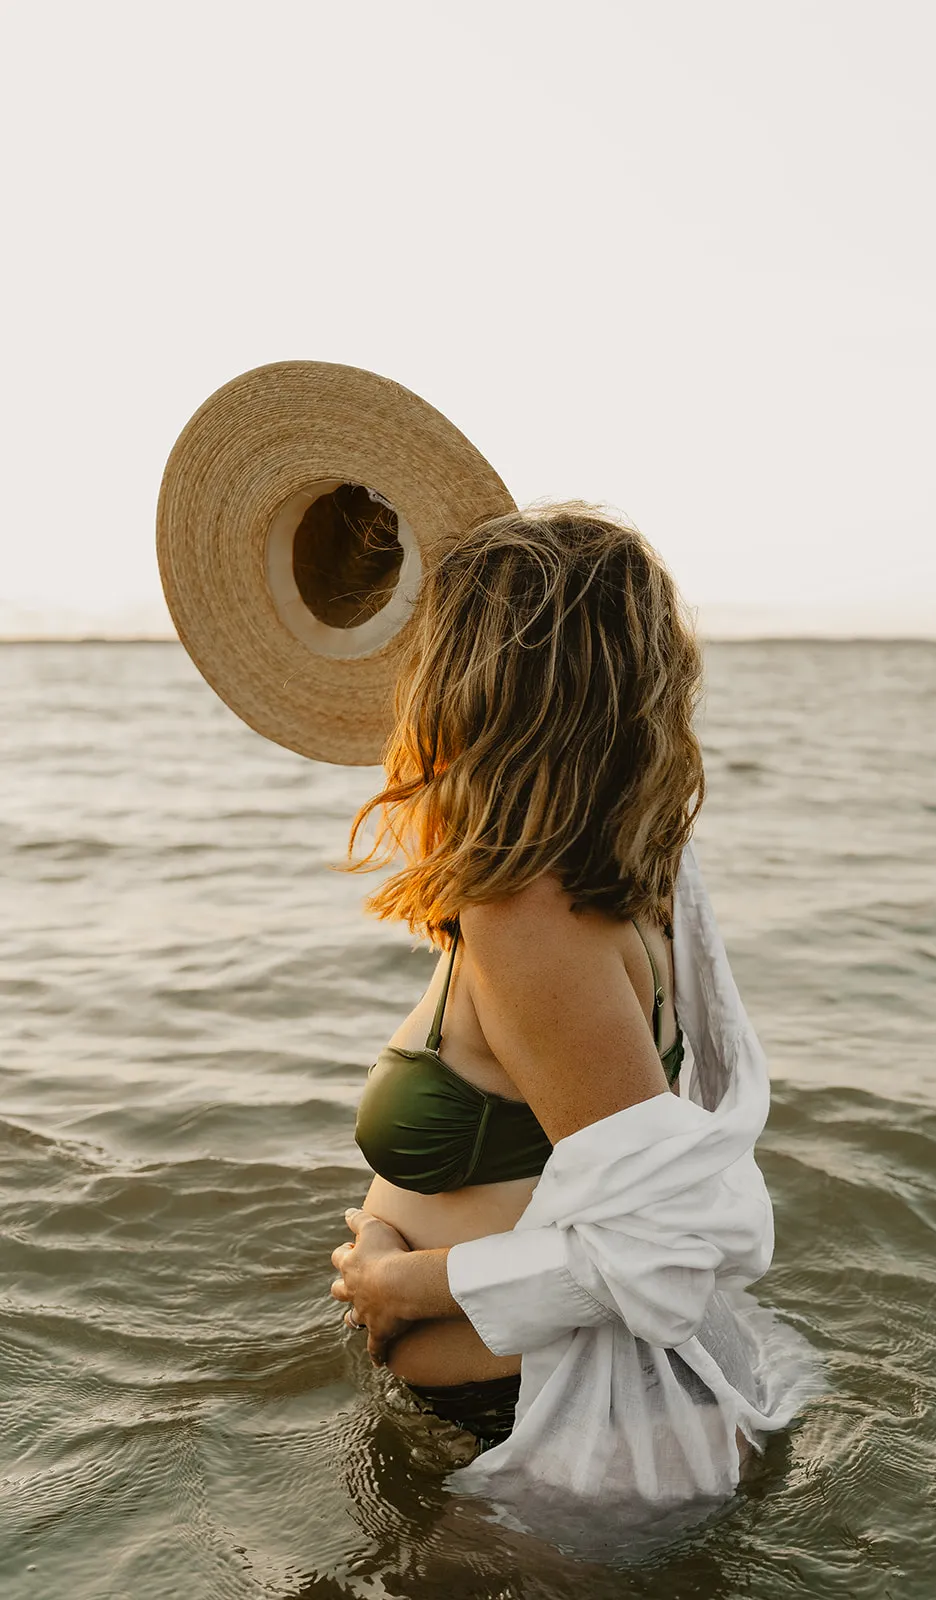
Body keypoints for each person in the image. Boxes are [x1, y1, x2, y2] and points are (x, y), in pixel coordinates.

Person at [329, 500, 704, 1450]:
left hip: (519, 1421)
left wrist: (396, 1281)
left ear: (480, 684)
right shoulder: (630, 873)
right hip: (519, 1401)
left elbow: (655, 1251)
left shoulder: (530, 916)